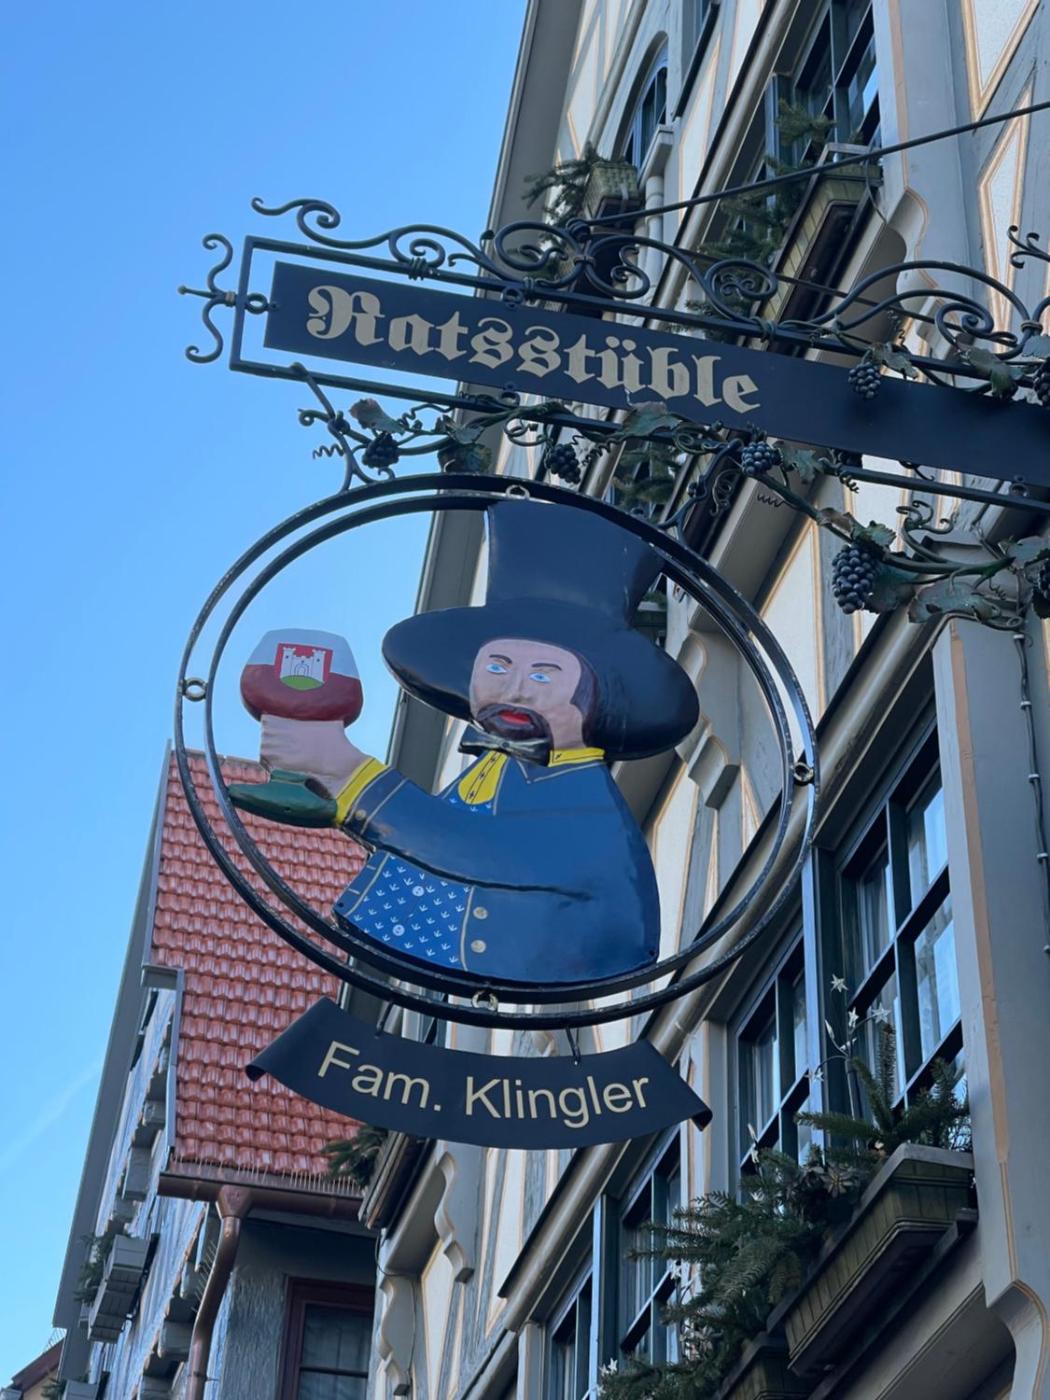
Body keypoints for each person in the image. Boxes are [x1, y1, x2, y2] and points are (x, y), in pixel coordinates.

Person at [254, 499, 699, 985]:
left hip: (548, 958)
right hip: (453, 956)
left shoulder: (582, 790)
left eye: (543, 675)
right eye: (498, 667)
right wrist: (327, 790)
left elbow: (485, 850)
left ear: (590, 699)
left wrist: (352, 777)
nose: (516, 689)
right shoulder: (495, 768)